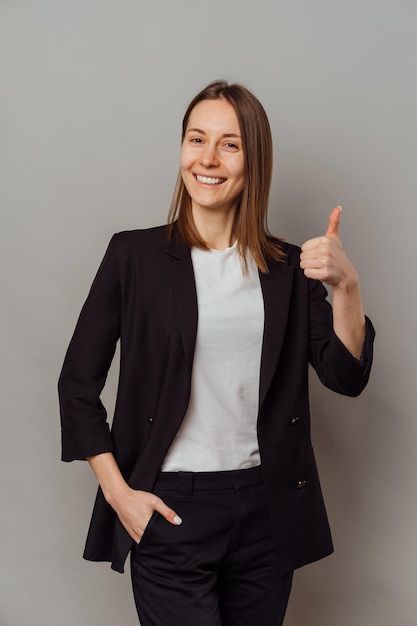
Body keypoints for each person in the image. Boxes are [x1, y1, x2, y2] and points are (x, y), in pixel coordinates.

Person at [58, 80, 375, 626]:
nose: (207, 158)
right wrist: (120, 495)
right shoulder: (132, 256)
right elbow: (76, 386)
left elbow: (345, 375)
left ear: (255, 159)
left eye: (229, 144)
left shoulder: (286, 270)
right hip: (170, 504)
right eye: (196, 139)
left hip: (266, 507)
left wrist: (346, 286)